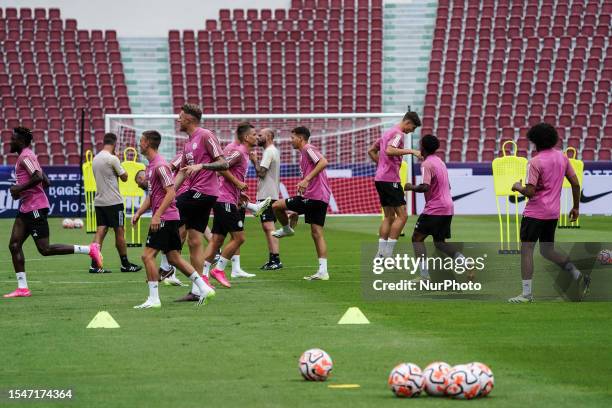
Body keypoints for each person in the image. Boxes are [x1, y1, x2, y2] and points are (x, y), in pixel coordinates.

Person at [4, 127, 103, 298]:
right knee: (14, 245)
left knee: (45, 249)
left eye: (13, 139)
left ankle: (89, 249)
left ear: (20, 141)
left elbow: (37, 176)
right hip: (27, 206)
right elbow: (45, 180)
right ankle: (22, 288)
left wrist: (19, 188)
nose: (10, 141)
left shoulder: (25, 156)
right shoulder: (27, 155)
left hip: (34, 208)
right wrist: (24, 192)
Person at [179, 122, 269, 301]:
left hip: (226, 198)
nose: (257, 137)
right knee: (239, 238)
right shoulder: (238, 151)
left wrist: (238, 192)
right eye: (254, 134)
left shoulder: (242, 151)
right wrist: (237, 184)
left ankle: (203, 275)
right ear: (246, 137)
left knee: (217, 239)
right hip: (224, 199)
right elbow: (222, 167)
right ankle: (218, 269)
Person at [131, 130, 214, 309]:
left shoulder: (160, 165)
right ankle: (204, 288)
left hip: (166, 218)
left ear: (147, 143)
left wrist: (157, 215)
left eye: (141, 141)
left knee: (147, 256)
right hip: (167, 217)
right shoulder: (151, 165)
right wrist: (139, 212)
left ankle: (154, 299)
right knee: (174, 258)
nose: (139, 143)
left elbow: (171, 192)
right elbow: (152, 195)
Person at [509, 123, 589, 303]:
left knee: (527, 250)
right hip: (553, 213)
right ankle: (577, 275)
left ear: (534, 141)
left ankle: (526, 294)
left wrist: (517, 186)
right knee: (547, 250)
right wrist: (576, 207)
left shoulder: (535, 162)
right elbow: (576, 184)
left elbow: (530, 191)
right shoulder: (562, 157)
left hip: (535, 213)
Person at [172, 104, 227, 285]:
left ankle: (165, 266)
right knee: (195, 241)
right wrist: (170, 193)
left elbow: (223, 163)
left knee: (170, 219)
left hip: (204, 192)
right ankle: (200, 288)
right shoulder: (188, 143)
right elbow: (181, 172)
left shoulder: (205, 135)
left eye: (180, 116)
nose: (178, 120)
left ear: (189, 119)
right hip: (196, 192)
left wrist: (202, 166)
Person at [404, 134, 467, 281]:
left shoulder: (426, 164)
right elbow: (448, 186)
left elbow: (425, 187)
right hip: (448, 207)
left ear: (422, 147)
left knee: (417, 238)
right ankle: (465, 261)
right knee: (439, 243)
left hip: (435, 207)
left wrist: (410, 187)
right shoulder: (439, 162)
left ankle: (424, 275)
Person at [271, 127, 331, 281]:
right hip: (319, 197)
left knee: (277, 206)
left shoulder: (307, 148)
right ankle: (323, 271)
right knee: (316, 233)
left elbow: (323, 161)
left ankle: (286, 229)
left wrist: (306, 179)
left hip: (314, 196)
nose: (291, 140)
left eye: (292, 137)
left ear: (300, 138)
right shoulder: (303, 154)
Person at [369, 111, 421, 259]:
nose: (412, 131)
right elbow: (390, 150)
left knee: (389, 217)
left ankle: (380, 254)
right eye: (413, 127)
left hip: (380, 178)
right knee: (403, 216)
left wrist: (381, 166)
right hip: (390, 180)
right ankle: (388, 254)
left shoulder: (387, 133)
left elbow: (371, 150)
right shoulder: (399, 134)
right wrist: (411, 151)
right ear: (408, 122)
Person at [90, 132, 141, 273]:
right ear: (114, 144)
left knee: (101, 230)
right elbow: (124, 177)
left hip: (99, 200)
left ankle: (94, 265)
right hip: (113, 201)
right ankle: (125, 264)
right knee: (119, 231)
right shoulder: (112, 159)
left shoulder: (96, 158)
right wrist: (118, 160)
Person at [247, 127, 283, 270]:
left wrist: (254, 160)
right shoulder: (271, 151)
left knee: (269, 227)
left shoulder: (269, 152)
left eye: (260, 135)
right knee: (267, 227)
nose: (257, 137)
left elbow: (261, 173)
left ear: (268, 137)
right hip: (270, 193)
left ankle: (276, 259)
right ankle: (273, 258)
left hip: (268, 194)